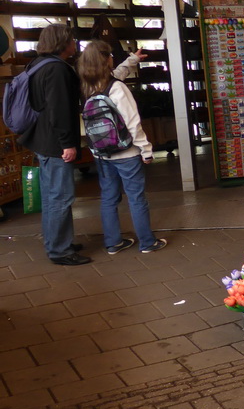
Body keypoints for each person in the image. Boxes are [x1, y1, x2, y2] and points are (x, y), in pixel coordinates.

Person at [77, 40, 167, 255]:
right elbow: (133, 122)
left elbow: (117, 74)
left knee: (108, 198)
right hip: (126, 152)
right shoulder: (116, 87)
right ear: (106, 60)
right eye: (110, 56)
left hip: (102, 153)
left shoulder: (87, 86)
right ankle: (147, 242)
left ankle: (113, 243)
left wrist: (132, 60)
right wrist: (146, 149)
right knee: (136, 197)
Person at [17, 24, 88, 265]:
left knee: (51, 197)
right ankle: (60, 250)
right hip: (56, 142)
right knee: (61, 197)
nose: (74, 44)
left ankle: (56, 242)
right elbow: (60, 110)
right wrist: (68, 144)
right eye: (71, 39)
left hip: (42, 140)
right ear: (63, 42)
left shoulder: (36, 65)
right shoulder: (57, 70)